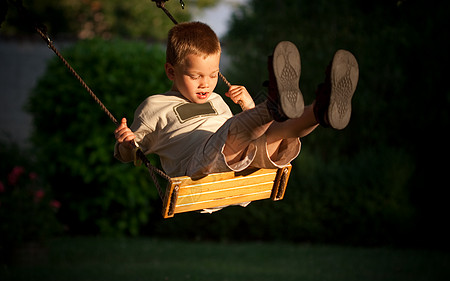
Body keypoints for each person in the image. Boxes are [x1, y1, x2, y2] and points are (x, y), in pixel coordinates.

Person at [114, 21, 359, 179]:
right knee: (232, 129)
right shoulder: (156, 105)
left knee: (278, 132)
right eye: (195, 76)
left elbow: (246, 135)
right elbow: (131, 153)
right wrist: (126, 145)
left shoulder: (217, 99)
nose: (206, 84)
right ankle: (273, 105)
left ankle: (321, 109)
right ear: (171, 72)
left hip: (240, 159)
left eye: (212, 75)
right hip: (197, 166)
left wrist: (248, 105)